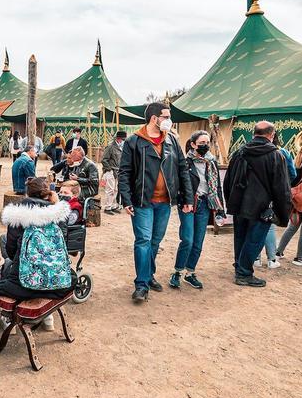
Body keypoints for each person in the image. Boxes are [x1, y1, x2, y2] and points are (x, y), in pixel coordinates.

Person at [118, 103, 193, 301]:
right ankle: (141, 284)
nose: (169, 120)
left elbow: (182, 169)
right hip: (142, 200)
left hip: (165, 201)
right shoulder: (134, 141)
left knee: (154, 241)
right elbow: (124, 172)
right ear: (154, 118)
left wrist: (187, 198)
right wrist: (126, 199)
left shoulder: (172, 141)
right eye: (166, 116)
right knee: (143, 241)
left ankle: (149, 275)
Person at [0, 176, 74, 331]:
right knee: (68, 275)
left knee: (8, 264)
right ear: (48, 194)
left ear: (27, 194)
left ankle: (7, 317)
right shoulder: (58, 213)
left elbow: (11, 250)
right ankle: (48, 318)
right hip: (55, 282)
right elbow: (63, 243)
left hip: (24, 283)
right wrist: (56, 204)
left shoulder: (17, 215)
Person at [224, 121, 292, 287]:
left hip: (240, 204)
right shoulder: (276, 155)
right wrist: (283, 212)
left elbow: (228, 180)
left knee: (240, 238)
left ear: (254, 133)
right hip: (262, 207)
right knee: (254, 240)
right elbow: (281, 187)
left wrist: (231, 202)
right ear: (271, 135)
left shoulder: (240, 152)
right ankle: (244, 273)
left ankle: (240, 267)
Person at [170, 131, 225, 290]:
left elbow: (217, 186)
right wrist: (183, 201)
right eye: (202, 143)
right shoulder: (185, 162)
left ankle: (190, 272)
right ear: (193, 144)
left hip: (205, 204)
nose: (205, 145)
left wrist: (220, 207)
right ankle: (178, 272)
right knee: (187, 239)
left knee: (198, 242)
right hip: (188, 204)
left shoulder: (212, 161)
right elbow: (178, 185)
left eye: (207, 142)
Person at [257, 131, 296, 269]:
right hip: (275, 194)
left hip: (256, 193)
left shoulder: (252, 150)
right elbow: (293, 174)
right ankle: (272, 259)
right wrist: (283, 187)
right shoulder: (283, 152)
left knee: (256, 224)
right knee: (269, 226)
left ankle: (256, 258)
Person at [101, 131, 127, 213]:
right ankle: (107, 207)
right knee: (110, 189)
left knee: (115, 189)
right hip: (111, 170)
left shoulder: (120, 147)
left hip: (117, 171)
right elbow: (104, 160)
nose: (123, 141)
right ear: (118, 139)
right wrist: (109, 169)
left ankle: (113, 205)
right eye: (122, 139)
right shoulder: (110, 147)